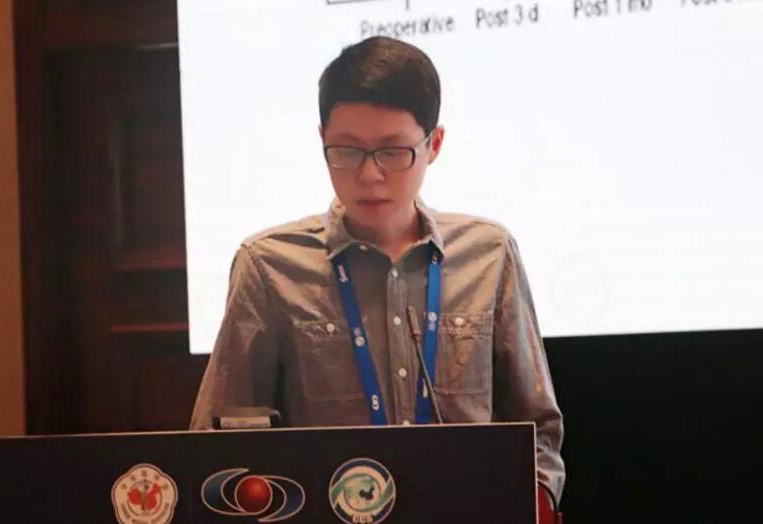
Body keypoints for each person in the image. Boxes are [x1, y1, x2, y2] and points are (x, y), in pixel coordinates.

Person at [190, 35, 565, 501]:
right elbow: (221, 440)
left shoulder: (490, 254)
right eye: (346, 150)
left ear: (434, 144)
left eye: (392, 152)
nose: (369, 175)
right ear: (322, 141)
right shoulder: (268, 267)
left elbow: (538, 431)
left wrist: (537, 500)